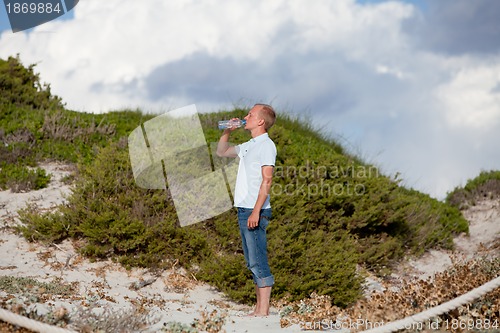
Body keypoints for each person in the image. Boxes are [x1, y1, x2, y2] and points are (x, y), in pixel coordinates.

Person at [216, 103, 277, 316]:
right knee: (252, 260)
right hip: (244, 208)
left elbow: (267, 181)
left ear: (260, 121)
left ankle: (264, 310)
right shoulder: (250, 145)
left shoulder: (266, 145)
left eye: (250, 114)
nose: (245, 116)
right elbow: (222, 152)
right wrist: (227, 131)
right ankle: (259, 308)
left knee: (258, 259)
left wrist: (256, 211)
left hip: (254, 210)